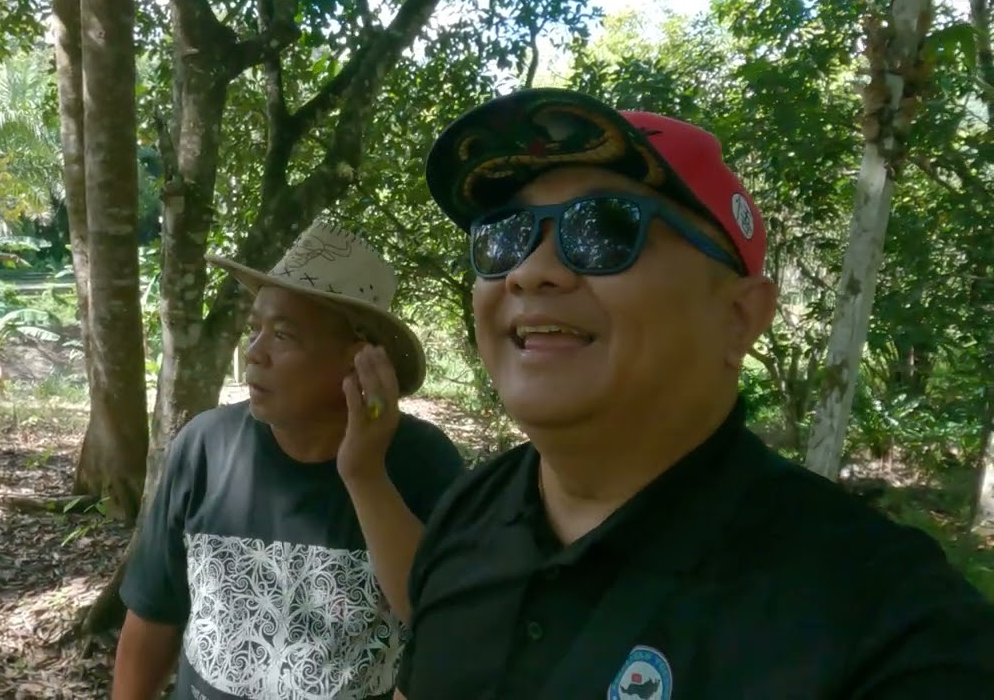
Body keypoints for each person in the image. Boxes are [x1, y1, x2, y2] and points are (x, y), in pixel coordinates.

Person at [393, 89, 994, 700]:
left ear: (739, 316)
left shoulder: (883, 617)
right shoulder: (468, 512)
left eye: (604, 229)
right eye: (505, 236)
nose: (527, 271)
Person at [112, 220, 465, 700]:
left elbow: (438, 622)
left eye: (284, 335)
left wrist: (364, 475)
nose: (254, 354)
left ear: (357, 358)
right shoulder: (204, 449)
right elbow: (152, 619)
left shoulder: (424, 463)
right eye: (255, 329)